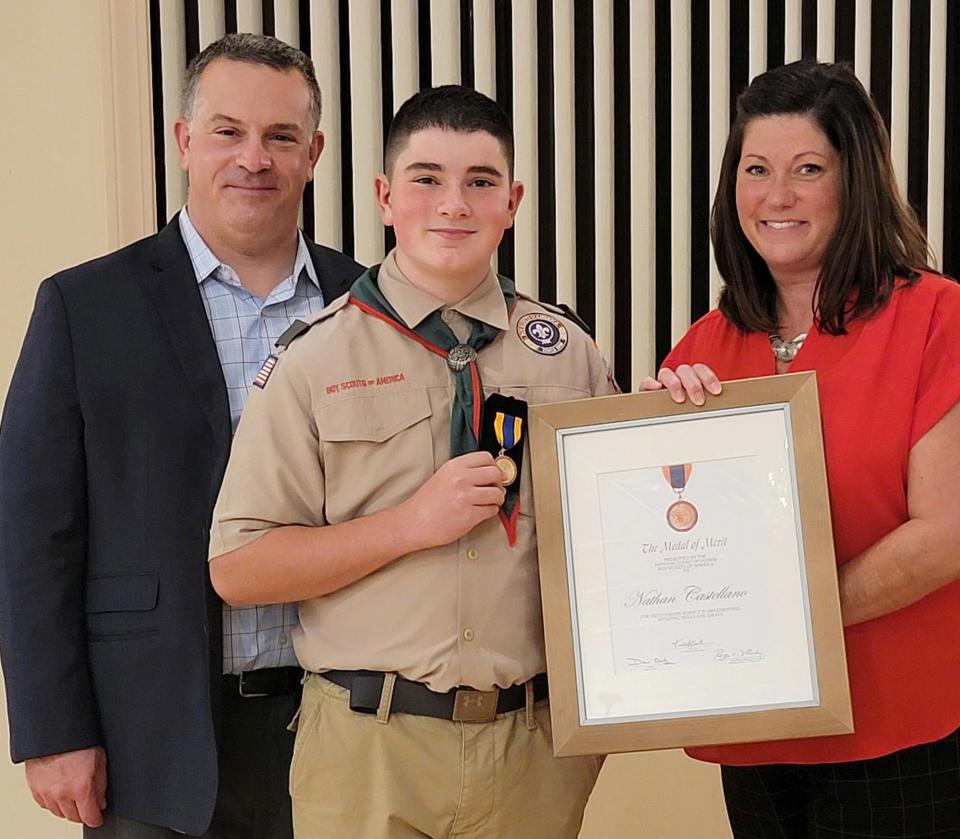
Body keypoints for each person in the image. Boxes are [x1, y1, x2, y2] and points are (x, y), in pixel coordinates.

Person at [207, 85, 616, 839]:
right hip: (369, 746)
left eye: (480, 182)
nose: (453, 203)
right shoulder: (314, 358)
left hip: (530, 747)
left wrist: (673, 424)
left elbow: (619, 543)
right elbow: (240, 567)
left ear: (513, 201)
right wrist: (407, 525)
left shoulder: (568, 355)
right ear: (386, 197)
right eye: (427, 178)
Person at [0, 33, 363, 838]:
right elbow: (31, 535)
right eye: (228, 131)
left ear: (315, 153)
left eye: (280, 136)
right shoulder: (83, 307)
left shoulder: (367, 303)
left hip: (343, 726)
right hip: (151, 737)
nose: (253, 158)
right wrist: (53, 728)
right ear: (184, 140)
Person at [651, 60, 960, 837]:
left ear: (854, 183)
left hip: (902, 727)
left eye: (807, 169)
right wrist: (647, 460)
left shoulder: (936, 317)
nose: (776, 196)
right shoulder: (700, 354)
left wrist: (787, 618)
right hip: (757, 728)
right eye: (756, 169)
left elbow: (948, 531)